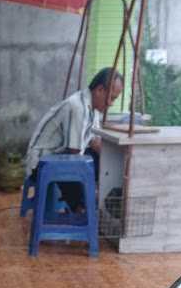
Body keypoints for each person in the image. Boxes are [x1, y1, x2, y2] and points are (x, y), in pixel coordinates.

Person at [25, 68, 124, 212]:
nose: (111, 103)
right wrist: (94, 189)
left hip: (60, 156)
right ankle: (82, 208)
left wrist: (114, 161)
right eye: (112, 98)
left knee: (102, 162)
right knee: (80, 168)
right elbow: (74, 153)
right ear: (100, 90)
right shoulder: (78, 106)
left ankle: (86, 203)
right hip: (41, 164)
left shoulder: (93, 108)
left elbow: (94, 141)